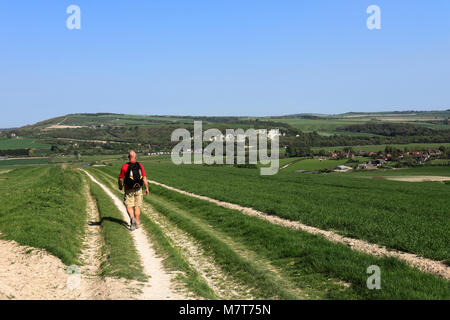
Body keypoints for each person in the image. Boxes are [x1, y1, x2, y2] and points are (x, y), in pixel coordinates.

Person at [118, 151, 149, 231]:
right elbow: (144, 178)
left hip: (128, 189)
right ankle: (137, 223)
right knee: (137, 206)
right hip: (138, 188)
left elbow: (121, 178)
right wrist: (146, 188)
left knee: (129, 205)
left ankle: (132, 219)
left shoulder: (125, 166)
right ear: (135, 157)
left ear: (128, 157)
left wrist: (120, 186)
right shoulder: (140, 165)